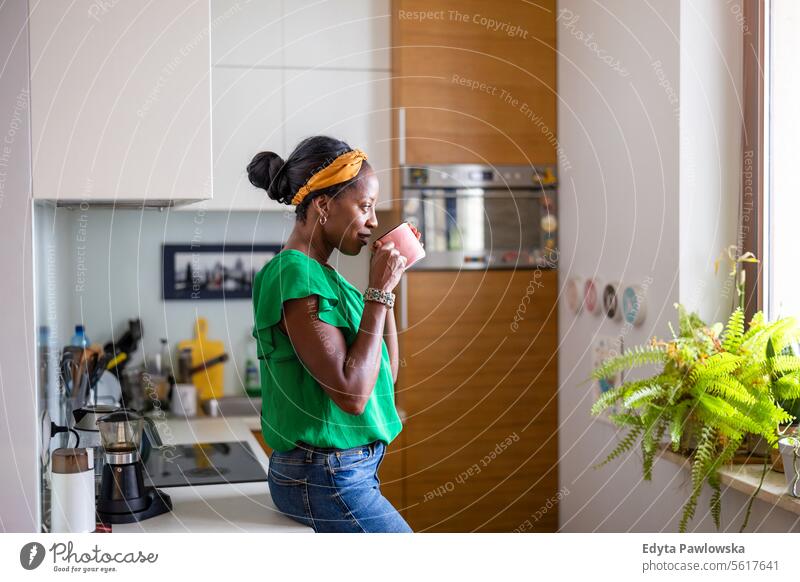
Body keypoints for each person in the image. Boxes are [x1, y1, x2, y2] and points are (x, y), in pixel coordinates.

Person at [247, 135, 421, 532]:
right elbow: (353, 395)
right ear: (324, 206)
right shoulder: (295, 274)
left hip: (342, 473)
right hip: (324, 475)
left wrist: (386, 289)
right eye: (365, 206)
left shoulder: (328, 278)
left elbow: (383, 376)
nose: (374, 221)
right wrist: (376, 293)